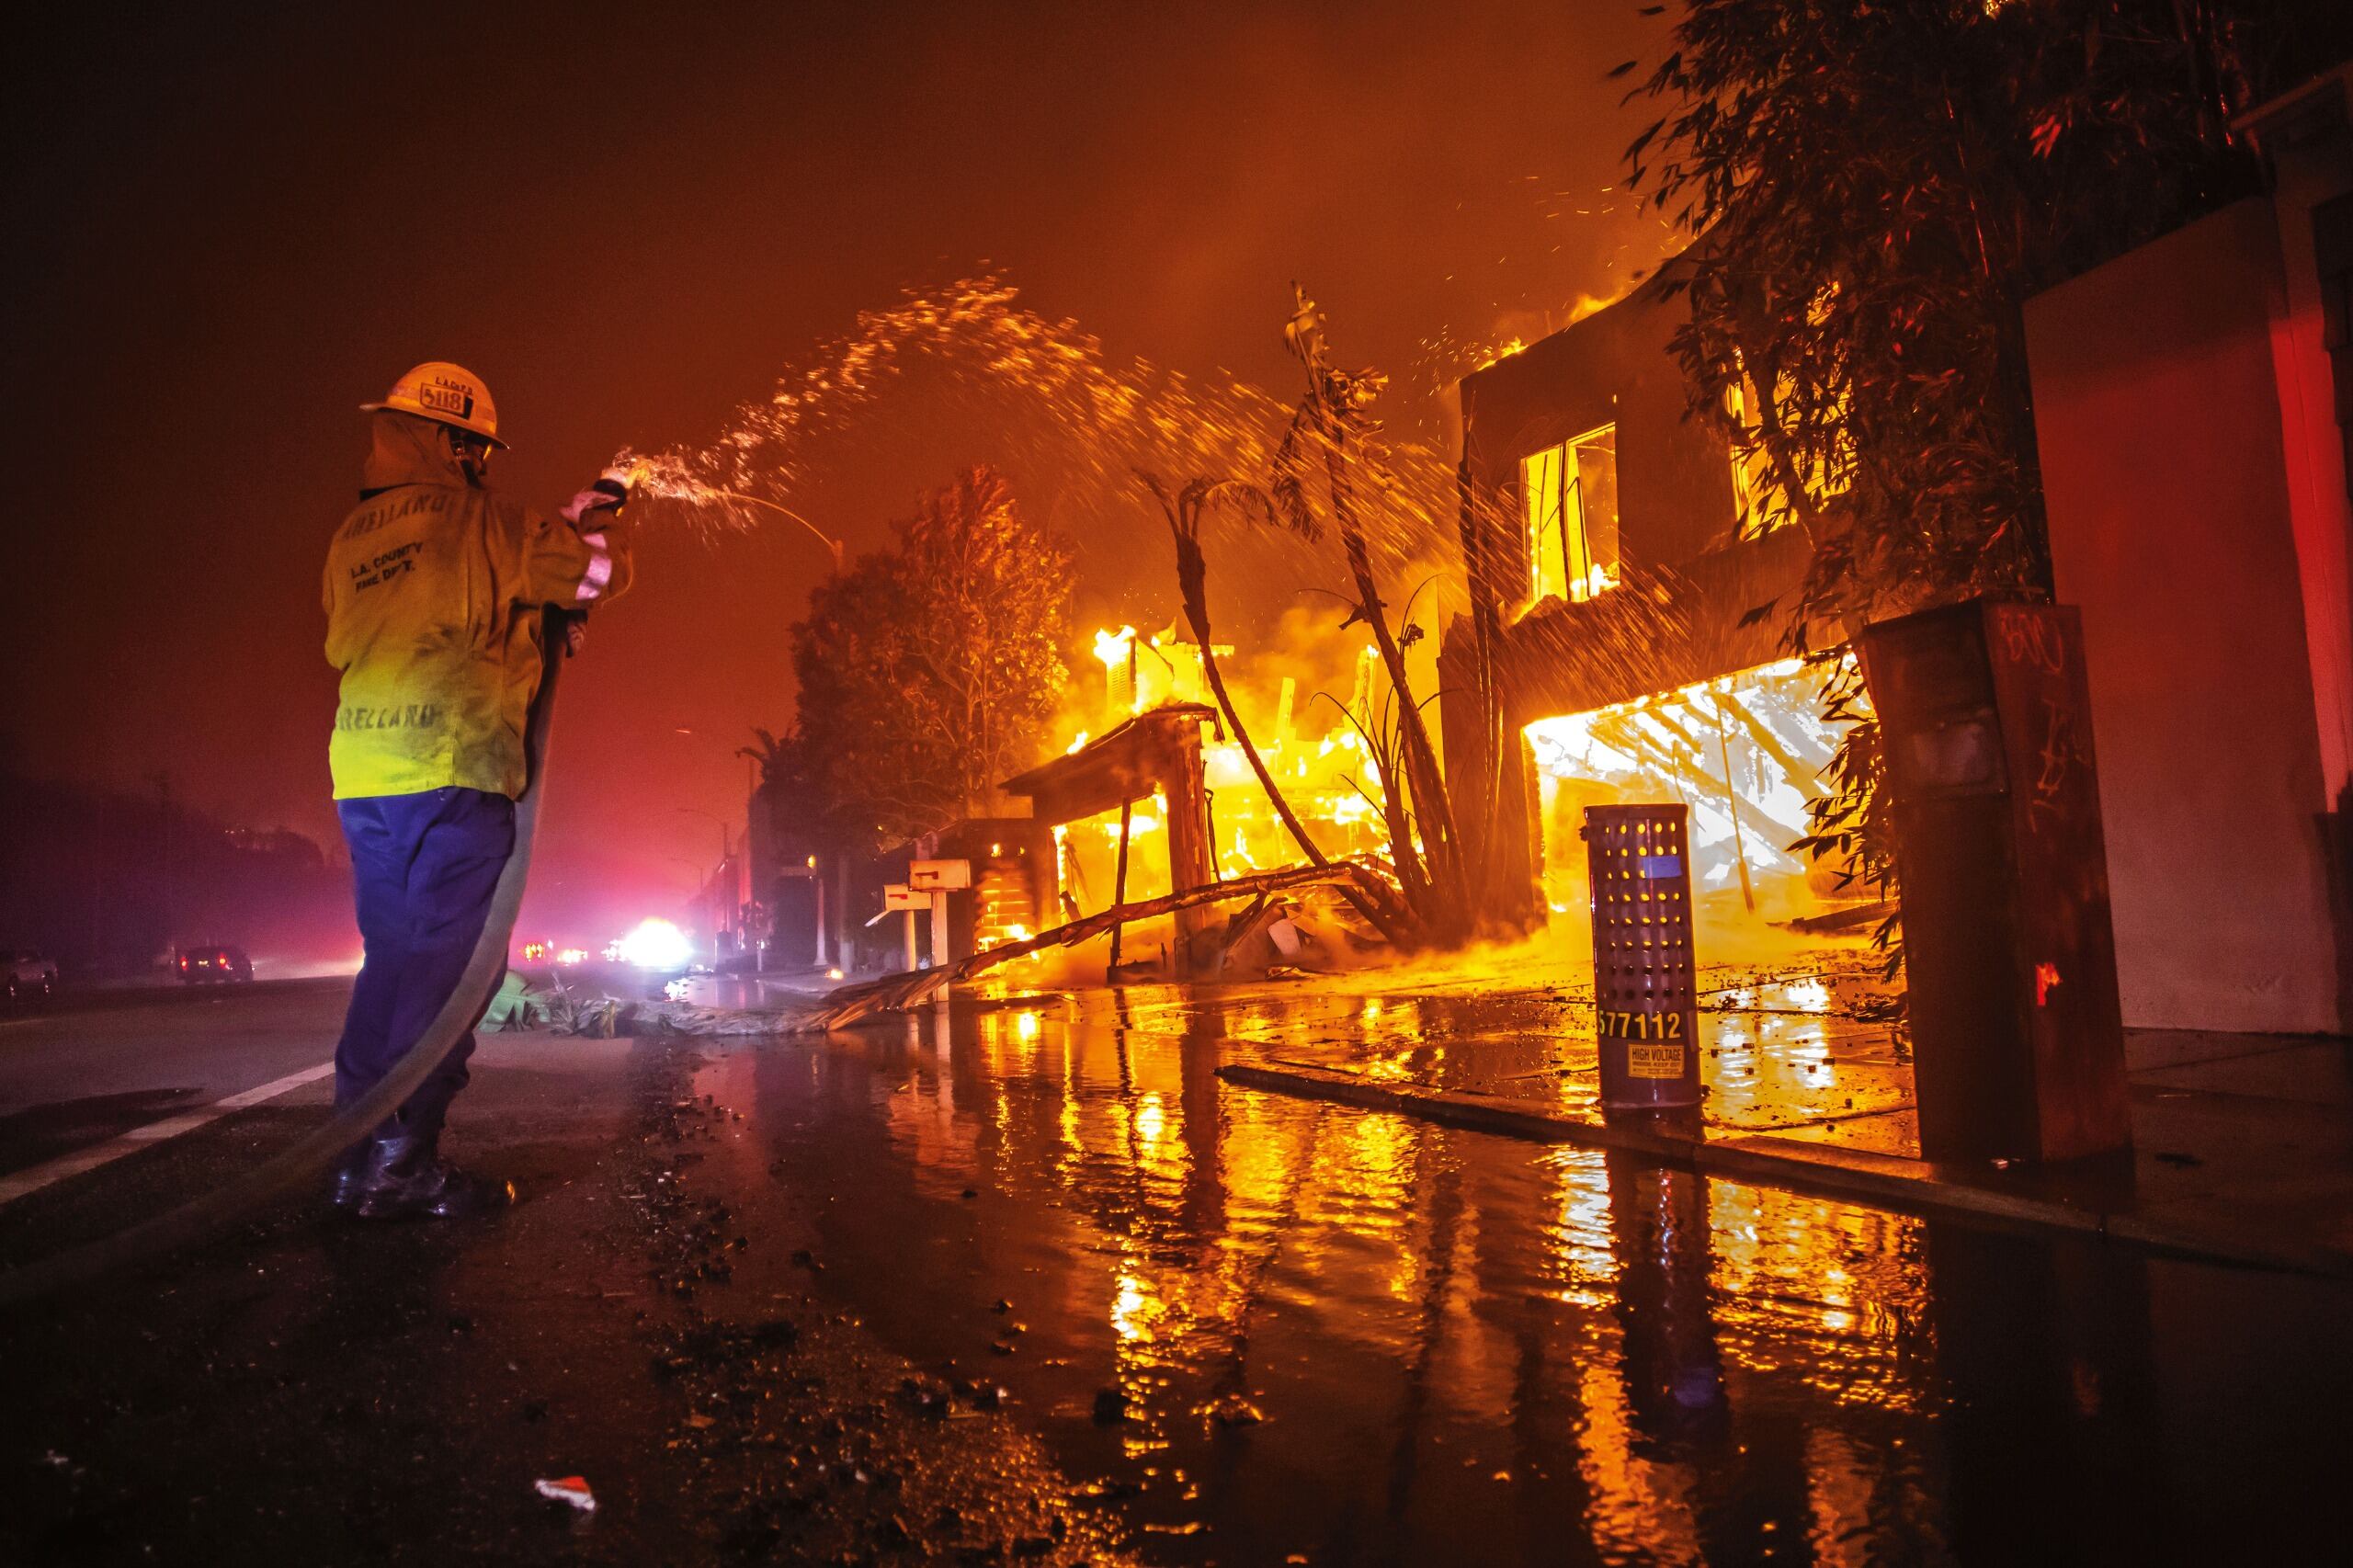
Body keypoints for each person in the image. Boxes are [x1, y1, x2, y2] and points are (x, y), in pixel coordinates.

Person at [323, 361, 633, 1219]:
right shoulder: (488, 521)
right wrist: (591, 525)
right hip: (454, 771)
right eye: (480, 449)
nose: (485, 465)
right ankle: (400, 1167)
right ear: (458, 444)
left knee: (389, 966)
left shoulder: (353, 536)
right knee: (452, 977)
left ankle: (351, 1158)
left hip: (364, 777)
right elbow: (596, 578)